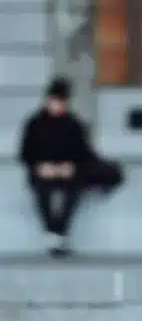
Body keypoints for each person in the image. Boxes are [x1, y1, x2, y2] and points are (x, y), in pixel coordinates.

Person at [18, 77, 122, 254]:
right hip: (42, 173)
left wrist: (69, 167)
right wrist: (41, 167)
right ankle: (54, 233)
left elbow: (84, 153)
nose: (57, 105)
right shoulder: (34, 124)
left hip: (68, 173)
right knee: (42, 190)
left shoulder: (73, 124)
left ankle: (56, 233)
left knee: (73, 189)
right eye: (55, 101)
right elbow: (25, 153)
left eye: (61, 101)